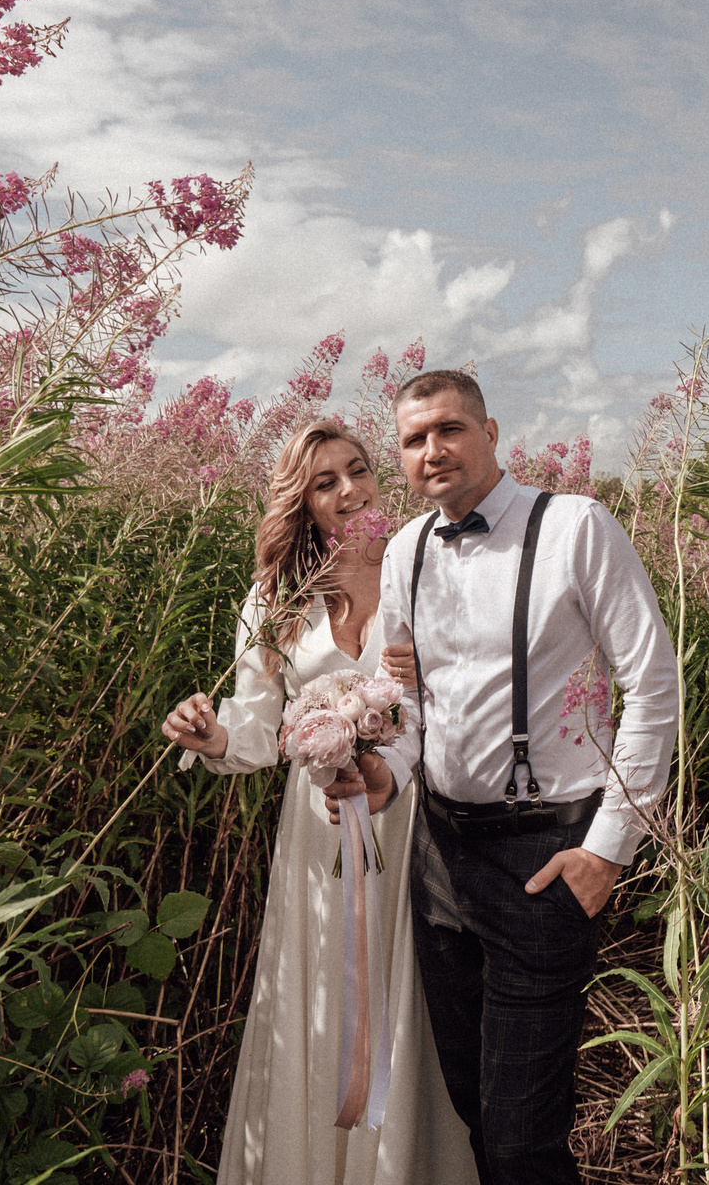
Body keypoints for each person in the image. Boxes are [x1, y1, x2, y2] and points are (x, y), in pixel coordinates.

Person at [347, 370, 680, 1185]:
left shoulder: (575, 527)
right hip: (440, 854)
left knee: (523, 1135)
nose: (434, 451)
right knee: (470, 1105)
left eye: (450, 429)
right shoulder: (406, 550)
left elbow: (654, 682)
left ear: (491, 433)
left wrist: (607, 848)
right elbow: (408, 704)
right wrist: (384, 774)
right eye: (414, 439)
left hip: (546, 853)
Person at [160, 421, 477, 1185]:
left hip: (414, 830)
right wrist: (210, 738)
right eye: (325, 482)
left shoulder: (425, 567)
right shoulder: (275, 599)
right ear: (301, 501)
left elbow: (477, 701)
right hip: (319, 836)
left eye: (359, 471)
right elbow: (258, 731)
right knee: (325, 1005)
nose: (350, 492)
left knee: (413, 1009)